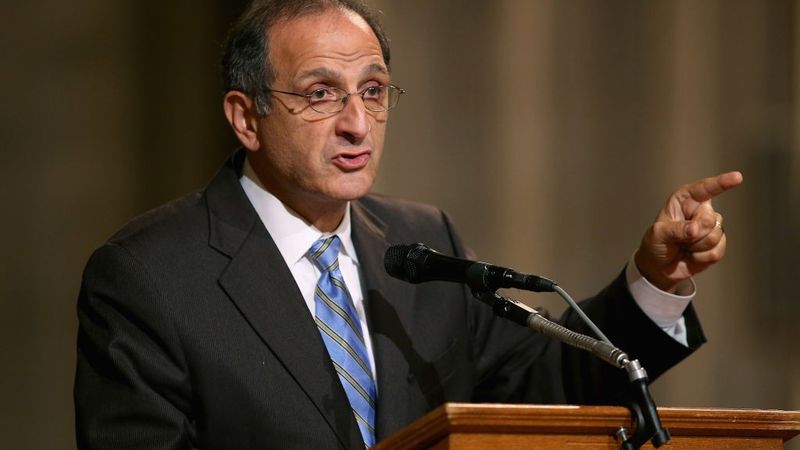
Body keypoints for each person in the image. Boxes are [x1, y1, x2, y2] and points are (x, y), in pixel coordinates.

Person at [74, 0, 743, 449]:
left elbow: (554, 387)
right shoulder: (149, 275)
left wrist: (656, 280)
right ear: (246, 117)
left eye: (371, 90)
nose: (357, 123)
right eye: (319, 94)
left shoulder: (421, 245)